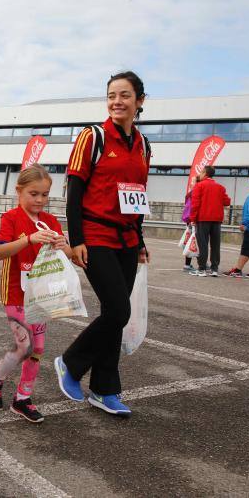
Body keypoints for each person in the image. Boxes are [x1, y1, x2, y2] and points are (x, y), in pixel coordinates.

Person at [55, 71, 151, 417]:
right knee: (117, 310)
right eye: (112, 95)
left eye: (125, 95)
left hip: (126, 238)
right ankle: (70, 362)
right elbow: (75, 190)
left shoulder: (143, 144)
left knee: (115, 316)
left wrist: (139, 239)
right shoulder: (92, 136)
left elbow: (137, 195)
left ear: (140, 101)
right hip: (95, 235)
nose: (117, 101)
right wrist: (76, 239)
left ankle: (104, 389)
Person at [0, 164, 72, 423]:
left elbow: (70, 256)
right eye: (34, 194)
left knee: (38, 348)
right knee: (25, 345)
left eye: (45, 195)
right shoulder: (10, 218)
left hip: (41, 294)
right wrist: (29, 239)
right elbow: (0, 252)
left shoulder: (51, 221)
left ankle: (23, 398)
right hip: (15, 293)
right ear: (19, 191)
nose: (40, 200)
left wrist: (64, 246)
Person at [189, 166, 230, 277]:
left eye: (201, 172)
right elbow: (227, 201)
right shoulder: (220, 187)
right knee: (215, 244)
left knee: (202, 244)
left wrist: (192, 218)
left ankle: (202, 269)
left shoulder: (199, 186)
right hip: (217, 219)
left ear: (204, 173)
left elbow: (195, 204)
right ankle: (214, 269)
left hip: (203, 218)